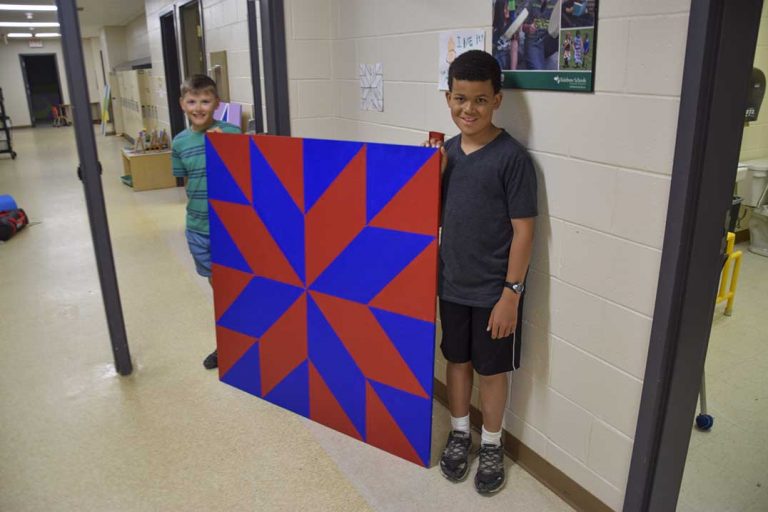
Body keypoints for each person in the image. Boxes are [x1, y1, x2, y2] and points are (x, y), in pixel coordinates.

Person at [426, 50, 537, 495]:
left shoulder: (512, 158)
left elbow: (524, 232)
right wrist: (428, 176)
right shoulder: (446, 154)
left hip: (495, 293)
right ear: (447, 98)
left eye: (479, 100)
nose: (467, 109)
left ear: (497, 100)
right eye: (459, 98)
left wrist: (511, 293)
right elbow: (426, 218)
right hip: (451, 285)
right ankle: (459, 432)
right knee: (457, 361)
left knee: (492, 371)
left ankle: (491, 442)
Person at [172, 74, 242, 370]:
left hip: (231, 227)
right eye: (192, 101)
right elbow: (186, 180)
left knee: (240, 286)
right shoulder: (179, 142)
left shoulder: (231, 133)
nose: (198, 107)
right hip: (199, 229)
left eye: (205, 100)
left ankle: (247, 340)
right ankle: (229, 343)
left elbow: (248, 175)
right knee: (220, 290)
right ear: (182, 104)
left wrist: (227, 149)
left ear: (216, 103)